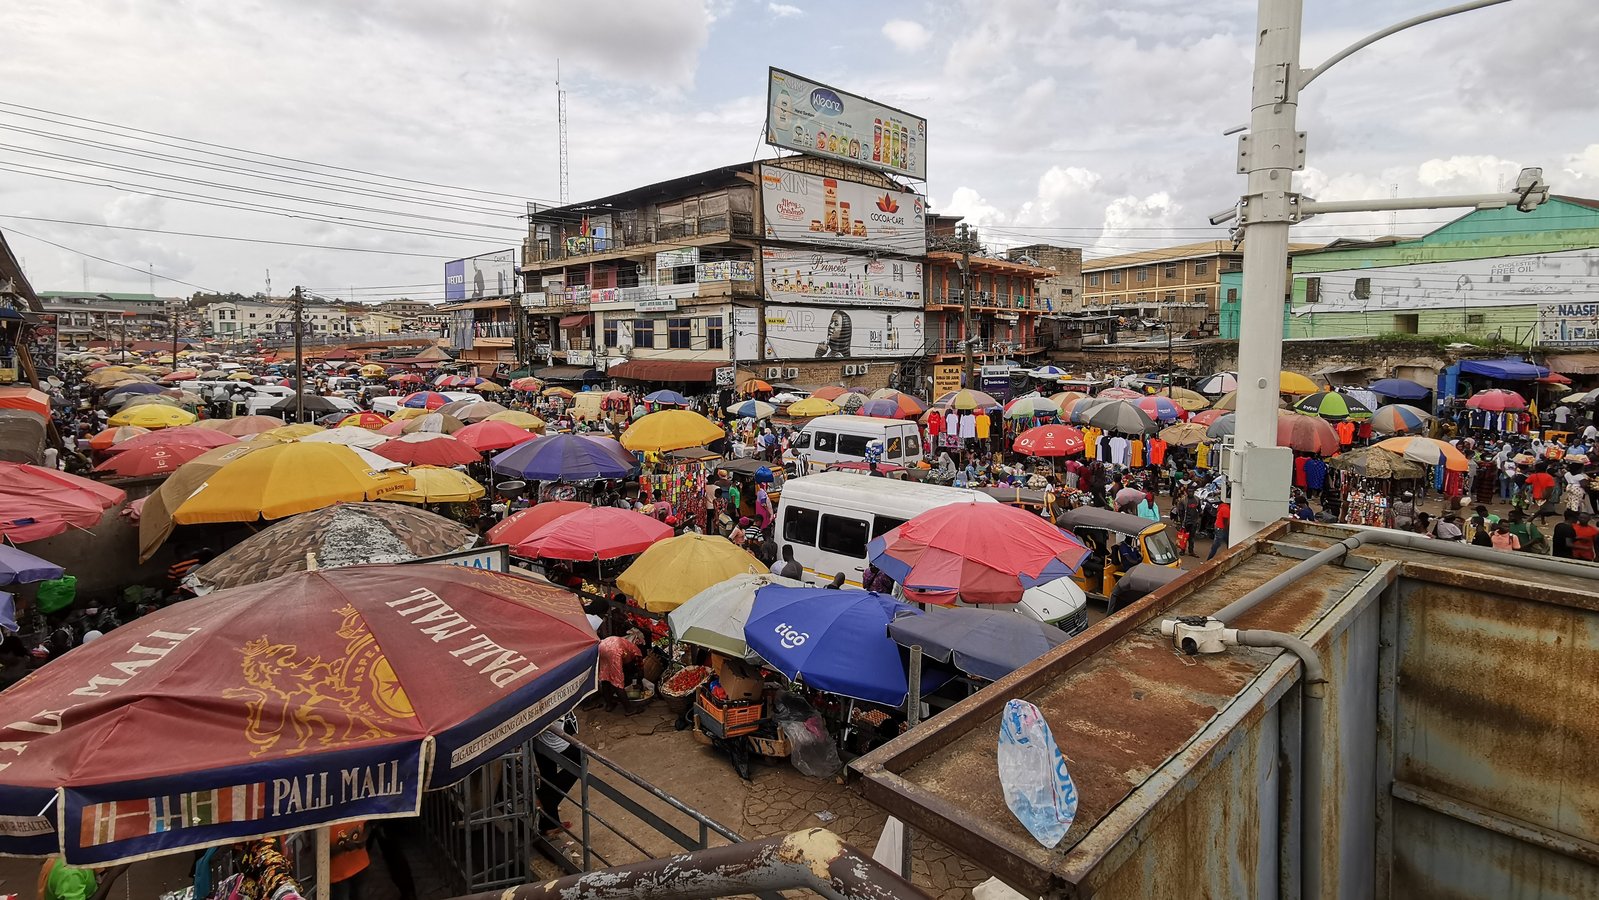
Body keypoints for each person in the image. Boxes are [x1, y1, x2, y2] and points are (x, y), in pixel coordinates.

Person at [536, 713, 582, 836]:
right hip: (552, 738)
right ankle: (542, 796)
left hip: (539, 738)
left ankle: (549, 824)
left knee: (548, 776)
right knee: (580, 761)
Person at [328, 820, 371, 900]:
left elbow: (368, 824)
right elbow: (317, 851)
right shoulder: (322, 818)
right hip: (338, 874)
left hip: (361, 865)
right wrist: (343, 848)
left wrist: (364, 837)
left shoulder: (355, 812)